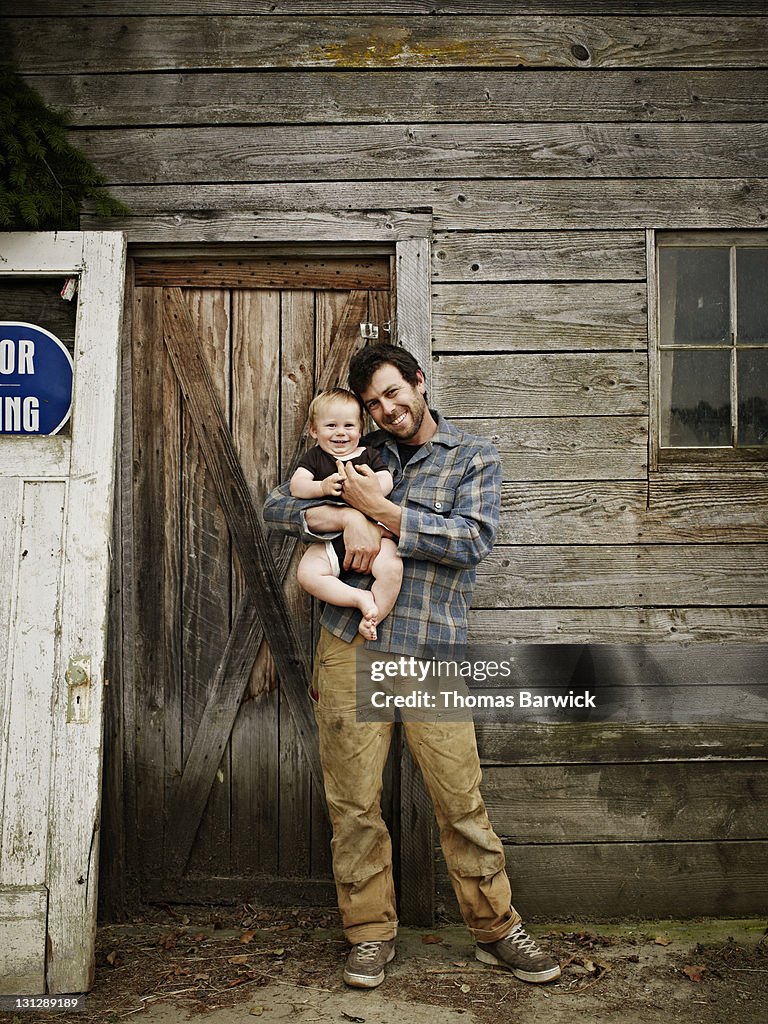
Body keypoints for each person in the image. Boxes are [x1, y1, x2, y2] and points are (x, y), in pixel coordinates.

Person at [263, 343, 561, 990]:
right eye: (373, 403)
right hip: (350, 642)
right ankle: (369, 934)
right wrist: (343, 513)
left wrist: (386, 514)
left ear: (419, 383)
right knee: (354, 802)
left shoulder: (472, 456)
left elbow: (472, 539)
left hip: (431, 648)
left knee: (460, 798)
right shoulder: (357, 453)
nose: (386, 410)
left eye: (395, 393)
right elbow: (278, 509)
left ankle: (496, 929)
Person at [290, 387, 403, 640]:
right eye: (331, 425)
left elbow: (386, 479)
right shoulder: (315, 458)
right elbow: (296, 486)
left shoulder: (368, 455)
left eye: (349, 425)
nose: (341, 432)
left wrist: (375, 487)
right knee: (307, 573)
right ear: (314, 430)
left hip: (375, 537)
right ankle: (359, 597)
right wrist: (321, 486)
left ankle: (373, 617)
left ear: (361, 430)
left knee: (393, 568)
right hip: (331, 540)